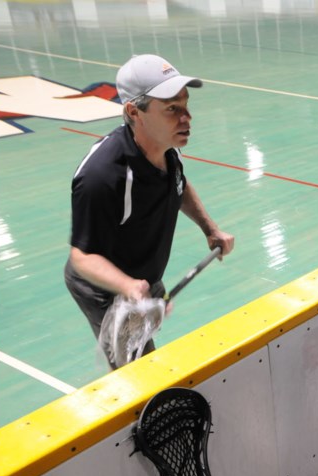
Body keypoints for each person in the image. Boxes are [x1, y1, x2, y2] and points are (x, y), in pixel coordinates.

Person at [65, 54, 235, 367]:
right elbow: (82, 257)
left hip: (141, 272)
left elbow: (179, 185)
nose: (187, 117)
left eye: (186, 104)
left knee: (145, 337)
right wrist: (127, 287)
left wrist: (210, 228)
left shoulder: (168, 147)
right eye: (172, 109)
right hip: (104, 287)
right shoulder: (103, 176)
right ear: (134, 112)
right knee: (139, 368)